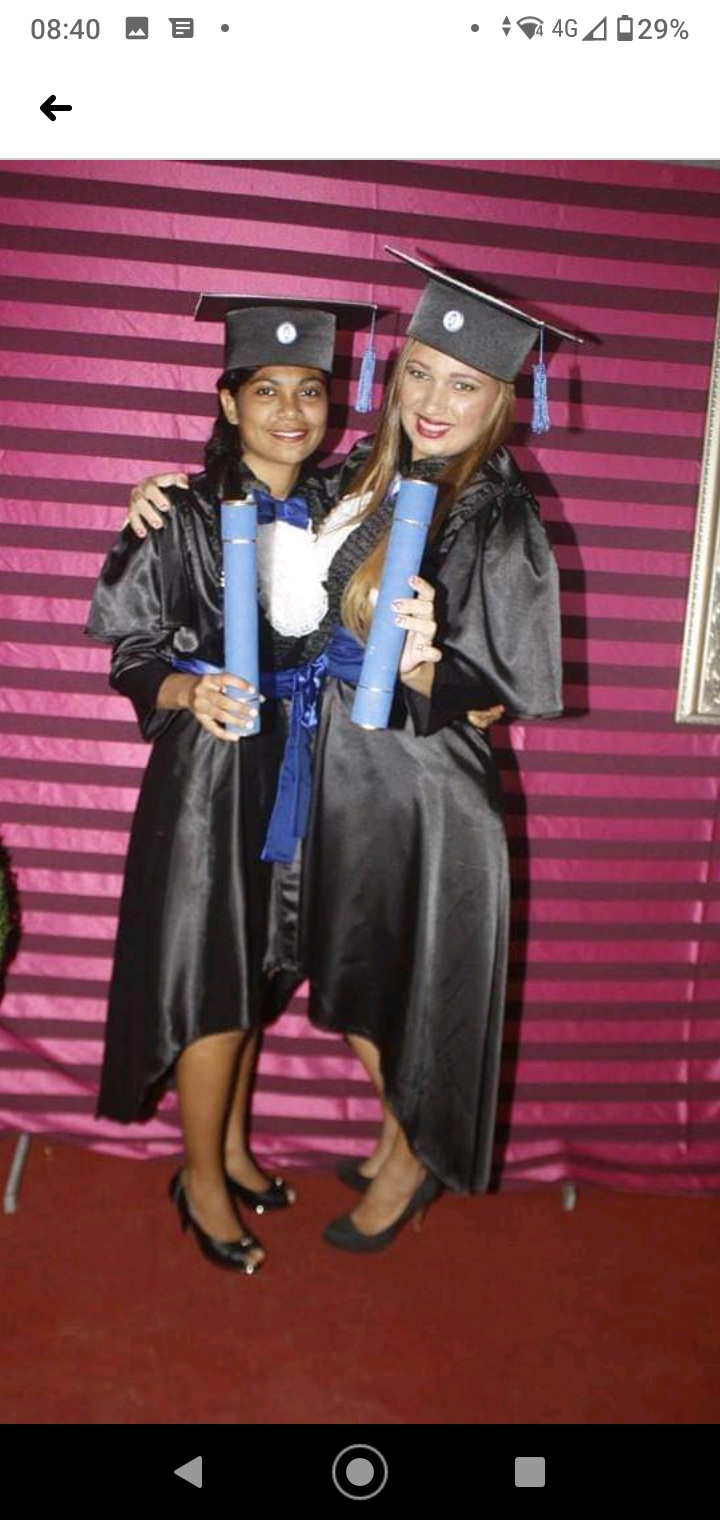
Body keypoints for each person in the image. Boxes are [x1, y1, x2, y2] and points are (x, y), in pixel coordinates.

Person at [125, 249, 576, 1254]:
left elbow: (508, 693)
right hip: (343, 775)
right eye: (420, 372)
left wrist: (433, 660)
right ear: (394, 372)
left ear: (503, 399)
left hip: (416, 785)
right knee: (360, 973)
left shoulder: (493, 509)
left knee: (391, 975)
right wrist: (166, 490)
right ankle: (388, 1142)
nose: (434, 402)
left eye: (464, 385)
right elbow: (261, 510)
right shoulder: (373, 474)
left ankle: (413, 1159)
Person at [86, 294, 433, 1272]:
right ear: (228, 401)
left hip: (308, 764)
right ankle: (200, 1180)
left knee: (254, 964)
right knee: (211, 973)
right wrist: (186, 689)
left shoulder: (342, 509)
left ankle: (232, 1150)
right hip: (211, 772)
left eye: (310, 391)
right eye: (267, 389)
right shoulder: (183, 512)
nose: (290, 410)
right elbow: (131, 654)